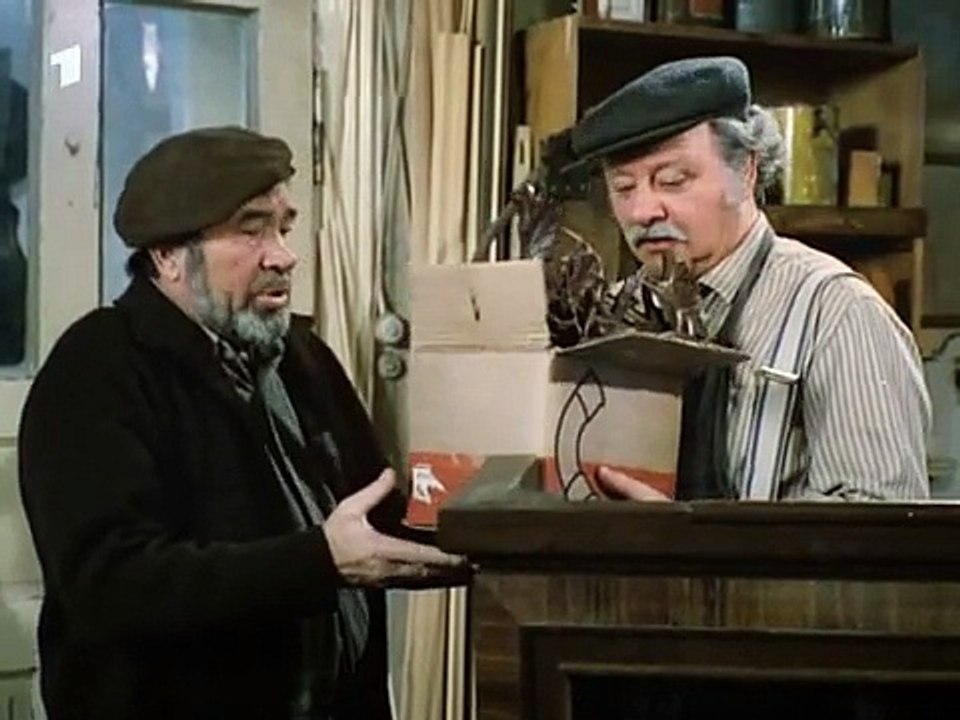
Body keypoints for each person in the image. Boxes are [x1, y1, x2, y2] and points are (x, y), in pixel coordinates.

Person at [17, 126, 464, 720]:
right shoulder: (98, 368)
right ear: (168, 257)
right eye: (251, 230)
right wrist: (319, 561)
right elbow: (109, 583)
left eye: (284, 228)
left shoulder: (303, 357)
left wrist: (497, 535)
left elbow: (375, 516)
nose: (283, 255)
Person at [566, 57, 931, 502]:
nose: (643, 211)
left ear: (746, 171)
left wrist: (686, 537)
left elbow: (879, 530)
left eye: (673, 180)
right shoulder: (608, 320)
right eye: (624, 188)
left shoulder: (838, 314)